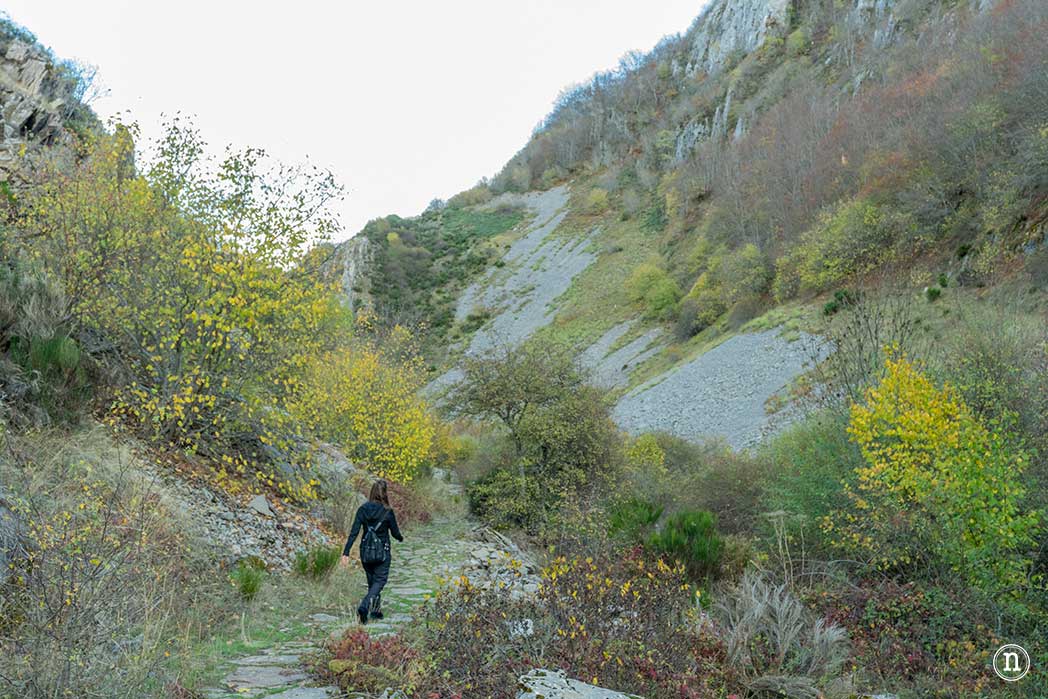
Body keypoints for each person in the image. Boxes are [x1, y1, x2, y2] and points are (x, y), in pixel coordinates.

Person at [341, 479, 403, 625]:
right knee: (380, 580)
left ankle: (375, 611)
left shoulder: (362, 509)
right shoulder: (387, 511)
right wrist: (400, 538)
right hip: (382, 553)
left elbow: (354, 532)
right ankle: (365, 606)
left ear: (372, 492)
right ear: (385, 493)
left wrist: (346, 552)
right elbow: (395, 533)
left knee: (372, 581)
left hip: (366, 552)